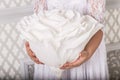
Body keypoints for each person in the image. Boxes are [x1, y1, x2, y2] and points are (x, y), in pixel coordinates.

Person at [25, 0, 109, 79]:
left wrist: (87, 53)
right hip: (50, 54)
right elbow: (37, 22)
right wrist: (31, 47)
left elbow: (98, 28)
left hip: (84, 52)